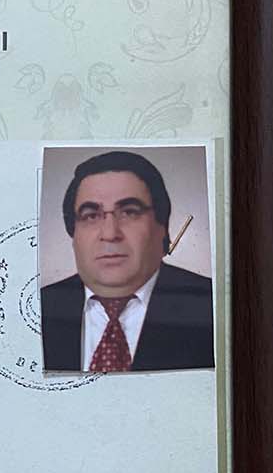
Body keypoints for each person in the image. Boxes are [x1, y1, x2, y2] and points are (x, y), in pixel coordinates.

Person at [39, 150, 214, 372]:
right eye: (91, 215)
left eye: (130, 212)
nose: (110, 233)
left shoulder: (213, 306)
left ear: (162, 226)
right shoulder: (37, 308)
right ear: (73, 233)